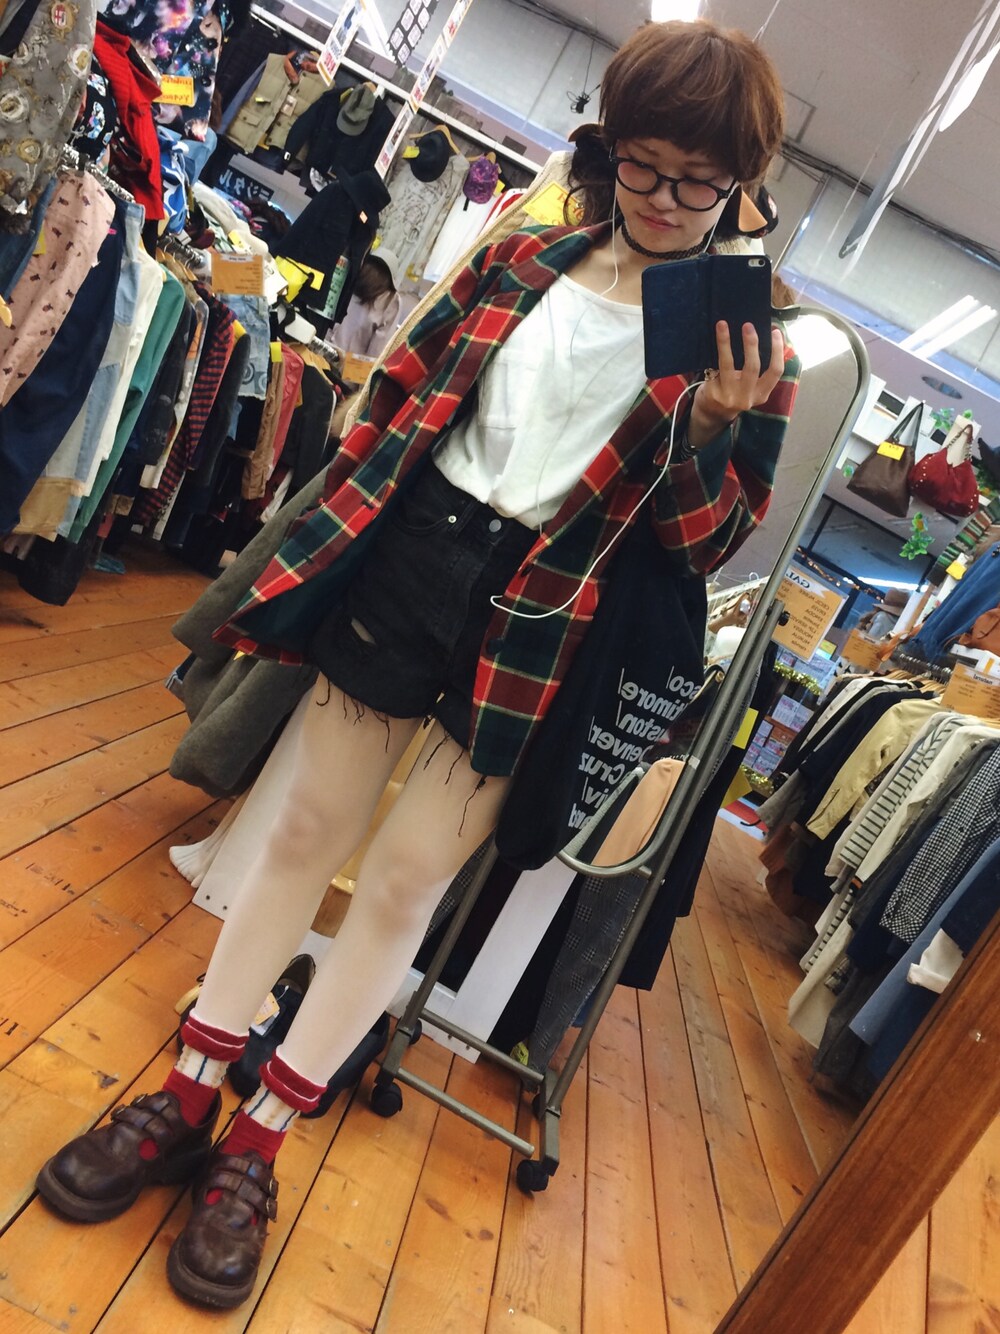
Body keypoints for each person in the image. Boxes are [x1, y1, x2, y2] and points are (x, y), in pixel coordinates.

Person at [36, 18, 799, 1309]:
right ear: (609, 146)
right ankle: (186, 1088)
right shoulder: (519, 256)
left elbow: (703, 548)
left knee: (401, 887)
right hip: (414, 564)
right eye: (645, 165)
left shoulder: (744, 338)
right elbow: (394, 400)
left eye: (700, 182)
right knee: (298, 833)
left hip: (544, 615)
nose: (667, 201)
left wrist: (707, 432)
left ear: (742, 183)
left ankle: (259, 1140)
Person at [329, 247, 408, 363]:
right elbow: (377, 350)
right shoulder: (391, 299)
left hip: (323, 349)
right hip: (348, 367)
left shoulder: (352, 277)